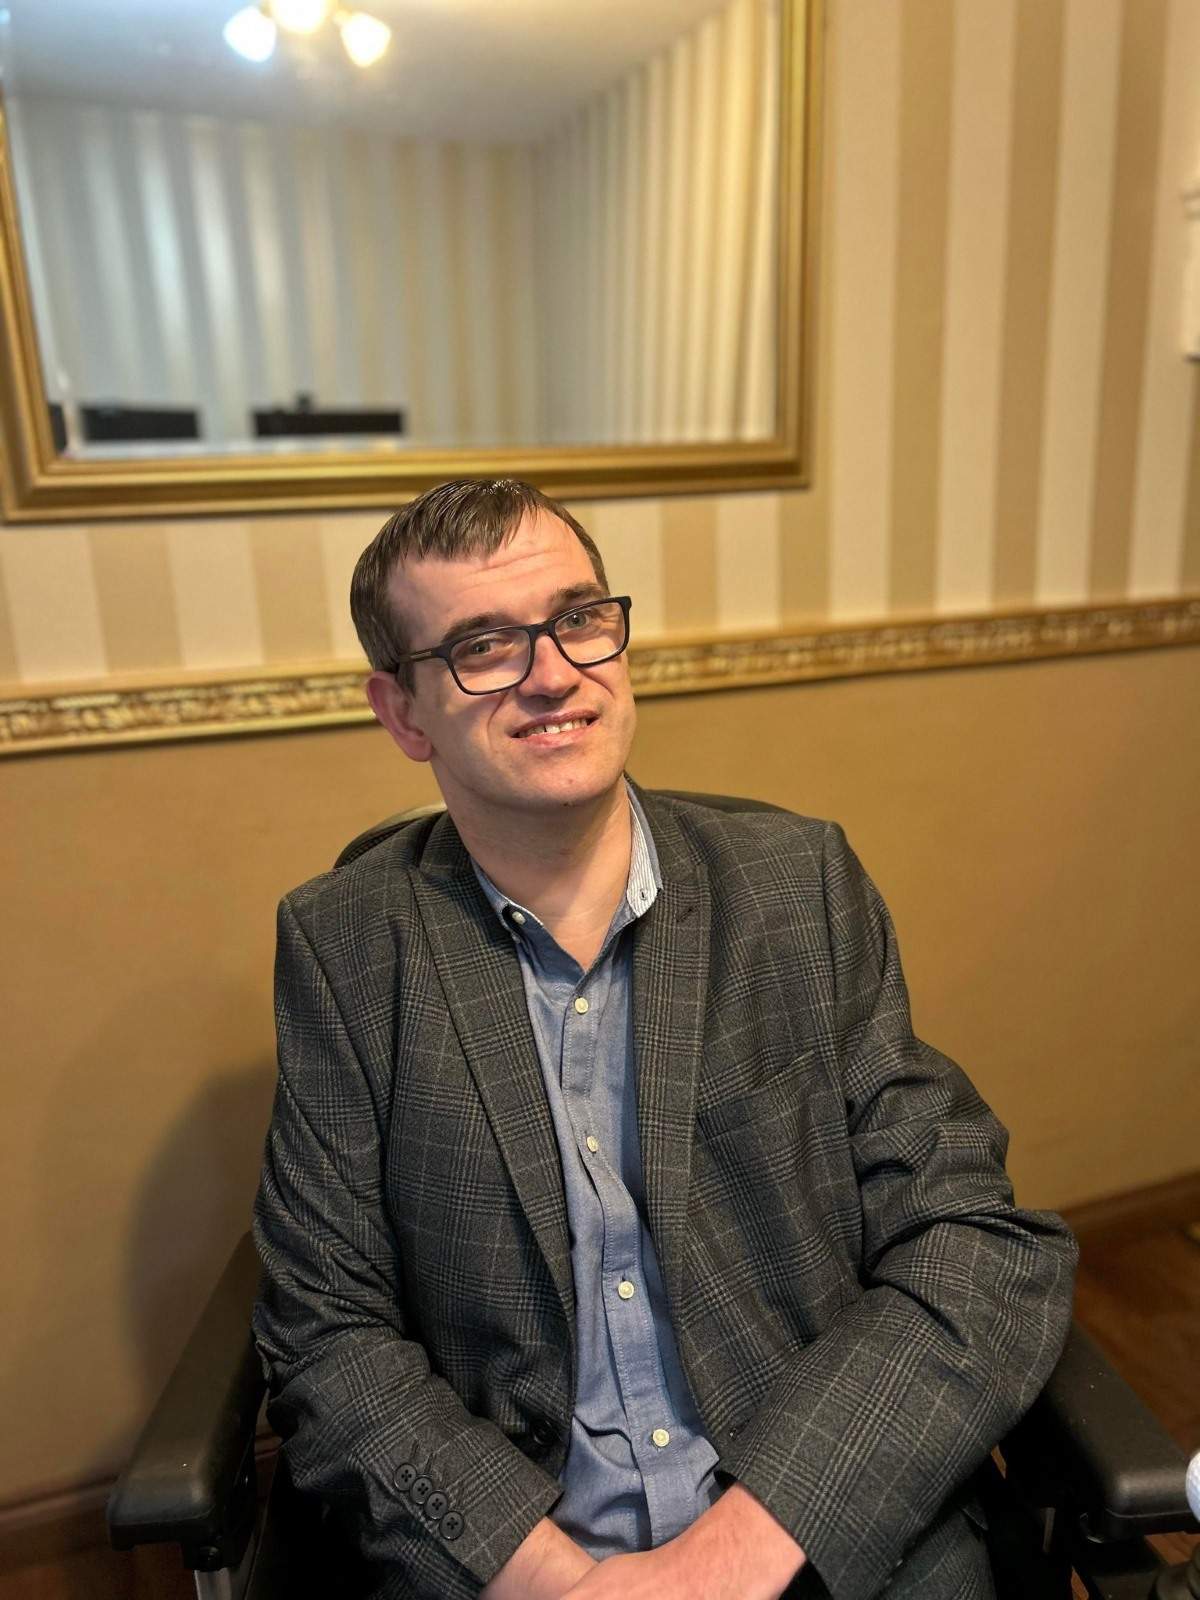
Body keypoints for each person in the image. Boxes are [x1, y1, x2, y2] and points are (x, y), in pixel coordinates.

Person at [253, 478, 1077, 1600]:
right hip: (525, 1558)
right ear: (403, 713)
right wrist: (558, 1579)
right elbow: (328, 1333)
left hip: (817, 1526)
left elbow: (977, 1245)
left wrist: (726, 1559)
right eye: (483, 645)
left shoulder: (799, 891)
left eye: (579, 618)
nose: (553, 673)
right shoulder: (346, 946)